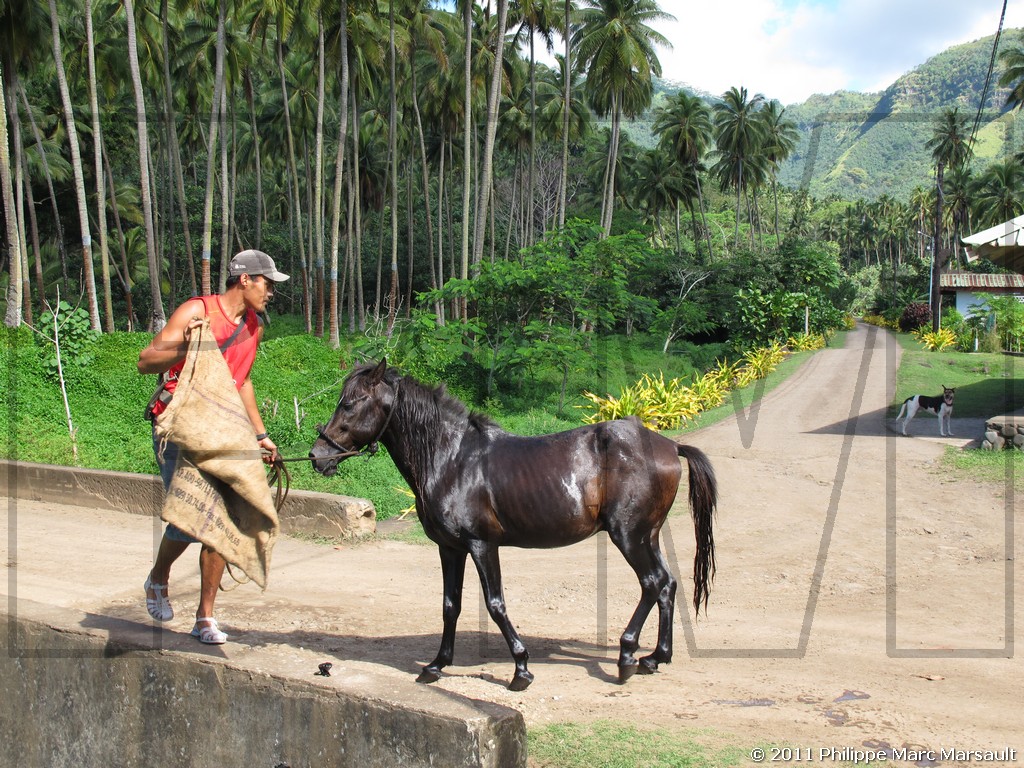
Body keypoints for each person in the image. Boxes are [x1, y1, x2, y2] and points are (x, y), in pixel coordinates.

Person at [139, 249, 288, 644]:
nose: (271, 291)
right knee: (191, 518)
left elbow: (242, 382)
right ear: (245, 280)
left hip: (221, 430)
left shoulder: (253, 326)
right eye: (267, 283)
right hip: (181, 424)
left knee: (218, 520)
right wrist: (191, 345)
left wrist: (259, 434)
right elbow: (146, 360)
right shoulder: (196, 312)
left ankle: (204, 618)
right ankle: (158, 578)